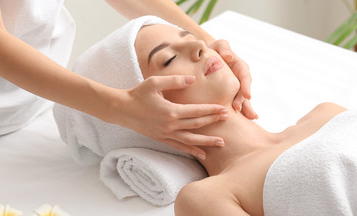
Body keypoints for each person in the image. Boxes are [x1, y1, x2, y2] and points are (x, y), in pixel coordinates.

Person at [0, 0, 257, 159]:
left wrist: (211, 45)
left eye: (189, 40)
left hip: (37, 99)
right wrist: (118, 108)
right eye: (167, 60)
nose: (198, 49)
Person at [134, 21, 356, 215]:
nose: (200, 45)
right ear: (149, 111)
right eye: (169, 59)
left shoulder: (327, 114)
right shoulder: (207, 197)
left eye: (191, 37)